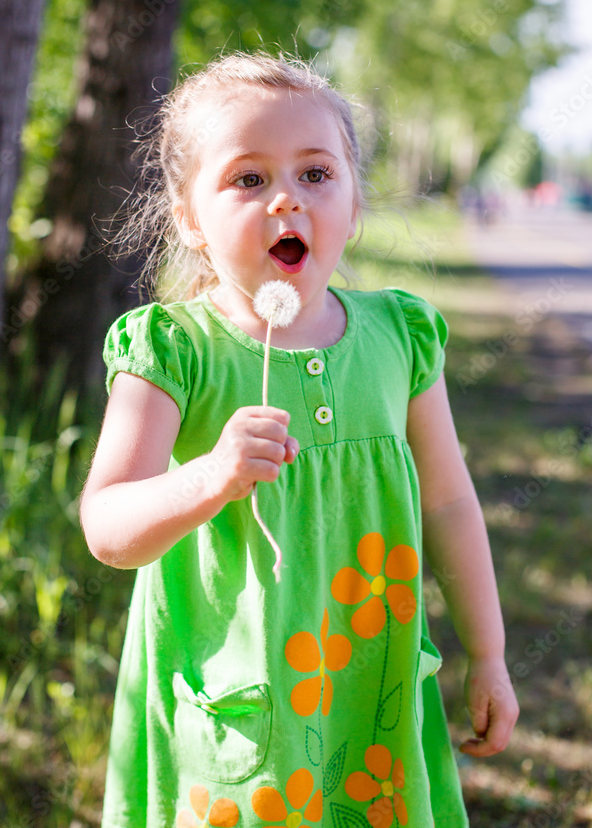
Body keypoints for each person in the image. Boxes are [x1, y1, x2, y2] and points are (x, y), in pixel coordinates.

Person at [80, 52, 519, 828]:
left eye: (315, 174)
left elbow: (448, 501)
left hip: (369, 684)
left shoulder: (399, 336)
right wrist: (209, 476)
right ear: (189, 216)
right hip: (243, 701)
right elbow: (109, 529)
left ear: (353, 203)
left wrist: (486, 655)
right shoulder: (176, 349)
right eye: (248, 179)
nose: (286, 198)